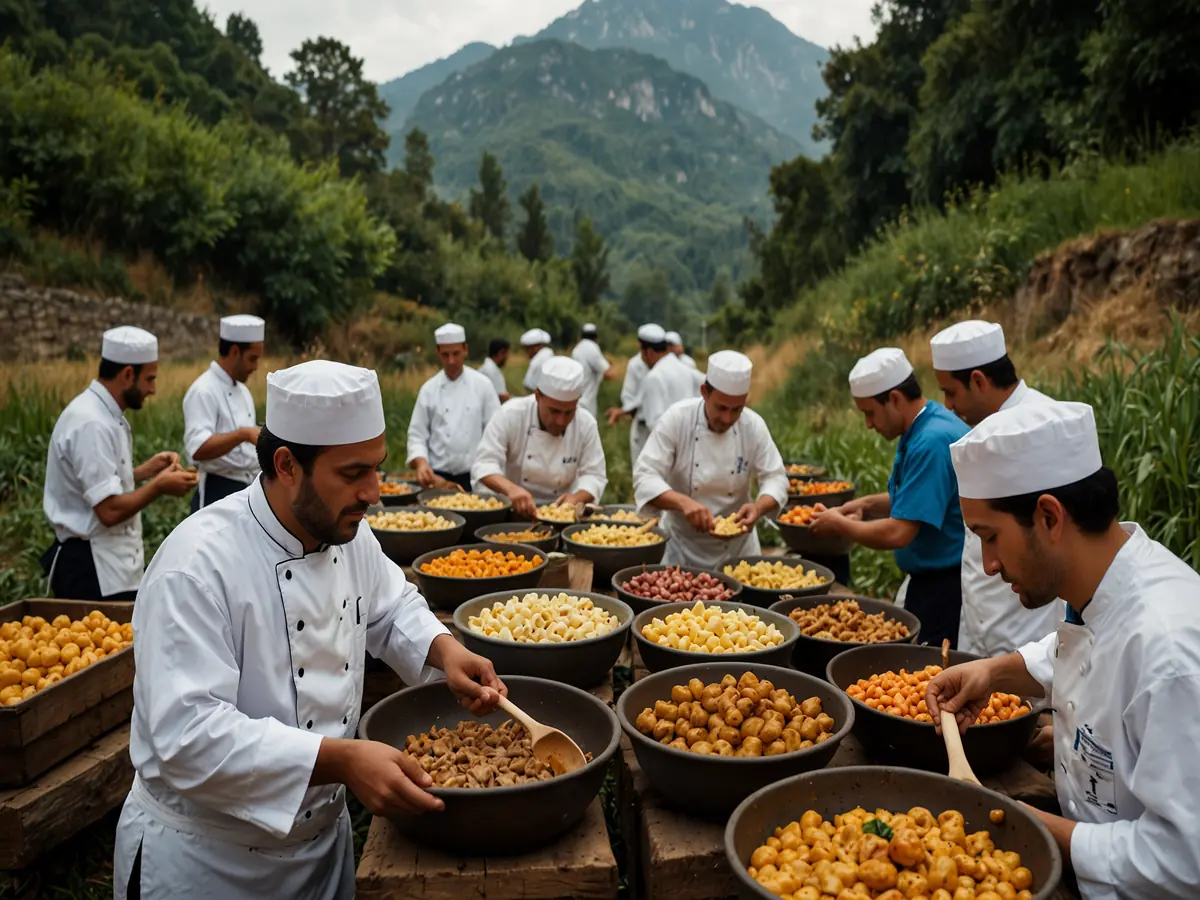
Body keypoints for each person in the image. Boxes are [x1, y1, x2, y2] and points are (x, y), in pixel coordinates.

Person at [113, 359, 507, 900]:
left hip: (321, 851)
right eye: (353, 473)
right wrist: (342, 759)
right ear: (287, 464)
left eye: (377, 468)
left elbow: (390, 604)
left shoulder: (346, 531)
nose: (374, 492)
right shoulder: (198, 565)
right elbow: (187, 738)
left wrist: (445, 650)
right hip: (209, 866)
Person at [926, 401, 1200, 900]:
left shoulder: (1170, 652)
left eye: (991, 538)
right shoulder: (1098, 588)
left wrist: (1019, 819)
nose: (987, 565)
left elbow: (1183, 861)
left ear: (1049, 516)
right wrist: (993, 671)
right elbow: (1071, 649)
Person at [809, 348, 969, 649]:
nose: (869, 424)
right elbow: (915, 496)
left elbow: (899, 532)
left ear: (895, 398)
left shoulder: (930, 442)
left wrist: (839, 524)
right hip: (932, 580)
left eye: (870, 413)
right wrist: (865, 506)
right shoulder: (925, 425)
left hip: (945, 586)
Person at [930, 319, 1060, 657]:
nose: (947, 405)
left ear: (978, 380)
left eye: (950, 392)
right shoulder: (978, 430)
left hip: (1026, 621)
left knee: (1022, 699)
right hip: (977, 611)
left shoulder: (1044, 424)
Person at [41, 327, 197, 602]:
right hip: (92, 568)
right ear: (127, 375)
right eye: (149, 379)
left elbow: (92, 484)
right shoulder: (92, 422)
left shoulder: (103, 414)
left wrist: (143, 472)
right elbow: (109, 510)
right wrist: (159, 486)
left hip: (111, 566)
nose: (153, 389)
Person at [633, 351, 787, 568]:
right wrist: (683, 503)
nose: (727, 418)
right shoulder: (677, 419)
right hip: (683, 550)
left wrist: (758, 508)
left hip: (739, 551)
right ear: (704, 392)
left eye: (736, 410)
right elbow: (645, 475)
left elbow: (776, 478)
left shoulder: (753, 426)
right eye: (721, 408)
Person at [472, 356, 607, 519]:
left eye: (569, 412)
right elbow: (485, 464)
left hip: (562, 517)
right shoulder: (510, 415)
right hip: (512, 514)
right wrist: (510, 489)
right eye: (554, 411)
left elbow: (594, 474)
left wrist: (576, 498)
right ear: (537, 396)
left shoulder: (586, 424)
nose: (560, 421)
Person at [182, 315, 264, 512]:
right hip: (216, 489)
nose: (255, 367)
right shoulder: (204, 390)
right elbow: (198, 448)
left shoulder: (244, 392)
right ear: (235, 351)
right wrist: (243, 434)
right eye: (252, 359)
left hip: (246, 489)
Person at [406, 323, 501, 491]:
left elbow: (496, 432)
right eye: (445, 355)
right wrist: (421, 463)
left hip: (475, 477)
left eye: (456, 353)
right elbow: (417, 434)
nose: (451, 360)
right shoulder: (429, 389)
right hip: (438, 479)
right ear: (437, 353)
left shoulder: (483, 385)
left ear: (465, 349)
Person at [639, 327, 704, 433]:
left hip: (668, 443)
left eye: (641, 352)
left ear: (649, 352)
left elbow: (655, 425)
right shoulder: (685, 368)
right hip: (690, 437)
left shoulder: (653, 377)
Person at [604, 324, 654, 463]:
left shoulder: (666, 365)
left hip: (661, 427)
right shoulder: (635, 364)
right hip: (641, 426)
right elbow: (628, 396)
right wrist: (628, 408)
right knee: (641, 468)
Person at [571, 323, 615, 418]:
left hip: (574, 402)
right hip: (586, 405)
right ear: (596, 338)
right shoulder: (591, 348)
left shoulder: (576, 350)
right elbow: (609, 374)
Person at [520, 329, 554, 394]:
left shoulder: (540, 360)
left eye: (527, 348)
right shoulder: (548, 355)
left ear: (536, 347)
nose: (525, 352)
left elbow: (532, 388)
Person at [478, 337, 511, 402]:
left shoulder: (489, 368)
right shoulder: (490, 371)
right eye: (507, 353)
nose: (508, 357)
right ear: (501, 353)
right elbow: (501, 397)